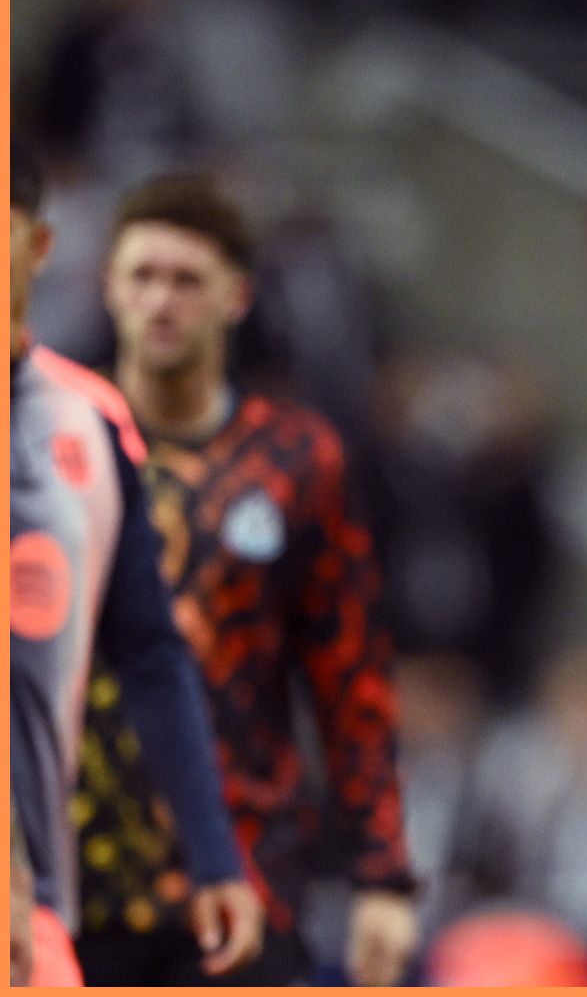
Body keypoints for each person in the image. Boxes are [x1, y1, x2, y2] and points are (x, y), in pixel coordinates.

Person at [69, 172, 417, 985]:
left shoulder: (296, 462)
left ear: (236, 296)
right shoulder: (54, 446)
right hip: (77, 878)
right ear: (108, 286)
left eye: (187, 280)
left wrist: (383, 875)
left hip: (247, 877)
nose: (162, 301)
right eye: (143, 276)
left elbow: (351, 680)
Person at [9, 144, 263, 985]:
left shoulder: (87, 422)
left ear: (38, 246)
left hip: (38, 910)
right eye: (144, 275)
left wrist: (213, 854)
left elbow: (150, 651)